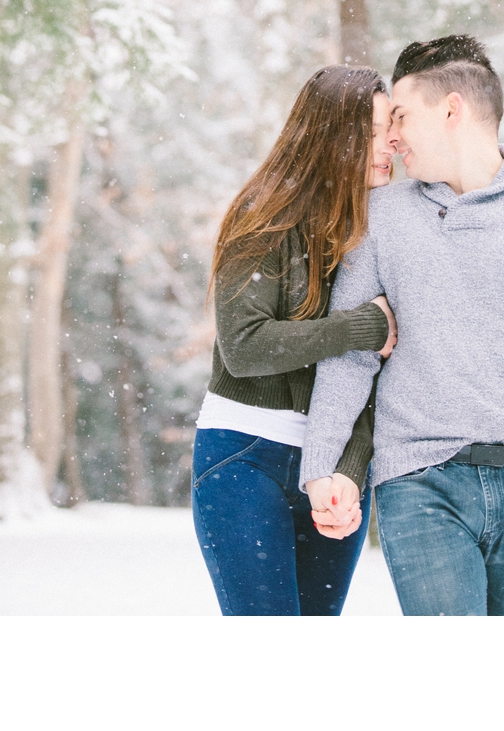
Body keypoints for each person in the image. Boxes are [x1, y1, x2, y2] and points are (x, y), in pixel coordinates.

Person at [301, 35, 504, 617]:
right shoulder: (382, 216)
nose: (391, 136)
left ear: (452, 110)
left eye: (399, 117)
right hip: (417, 480)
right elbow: (350, 352)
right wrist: (322, 465)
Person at [190, 64, 401, 616]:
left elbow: (379, 380)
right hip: (243, 456)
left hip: (330, 464)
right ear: (335, 135)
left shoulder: (384, 230)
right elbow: (245, 346)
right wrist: (364, 326)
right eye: (376, 131)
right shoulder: (265, 218)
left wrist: (350, 472)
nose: (392, 144)